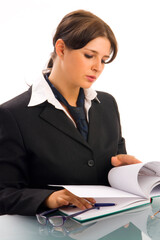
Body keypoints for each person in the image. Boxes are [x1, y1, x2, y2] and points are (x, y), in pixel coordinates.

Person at [0, 10, 141, 216]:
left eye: (103, 60)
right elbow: (4, 193)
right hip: (51, 231)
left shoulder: (107, 103)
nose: (97, 67)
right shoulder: (13, 114)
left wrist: (130, 173)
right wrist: (48, 198)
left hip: (109, 226)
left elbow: (109, 171)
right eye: (89, 55)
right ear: (61, 48)